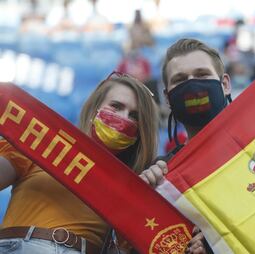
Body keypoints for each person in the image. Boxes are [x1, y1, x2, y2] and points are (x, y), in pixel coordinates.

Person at [0, 73, 158, 254]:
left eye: (135, 116)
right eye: (116, 106)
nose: (124, 119)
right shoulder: (45, 142)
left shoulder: (131, 186)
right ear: (94, 108)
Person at [140, 38, 232, 254]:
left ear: (225, 84)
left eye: (202, 75)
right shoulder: (163, 174)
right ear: (168, 99)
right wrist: (146, 196)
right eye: (180, 80)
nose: (192, 85)